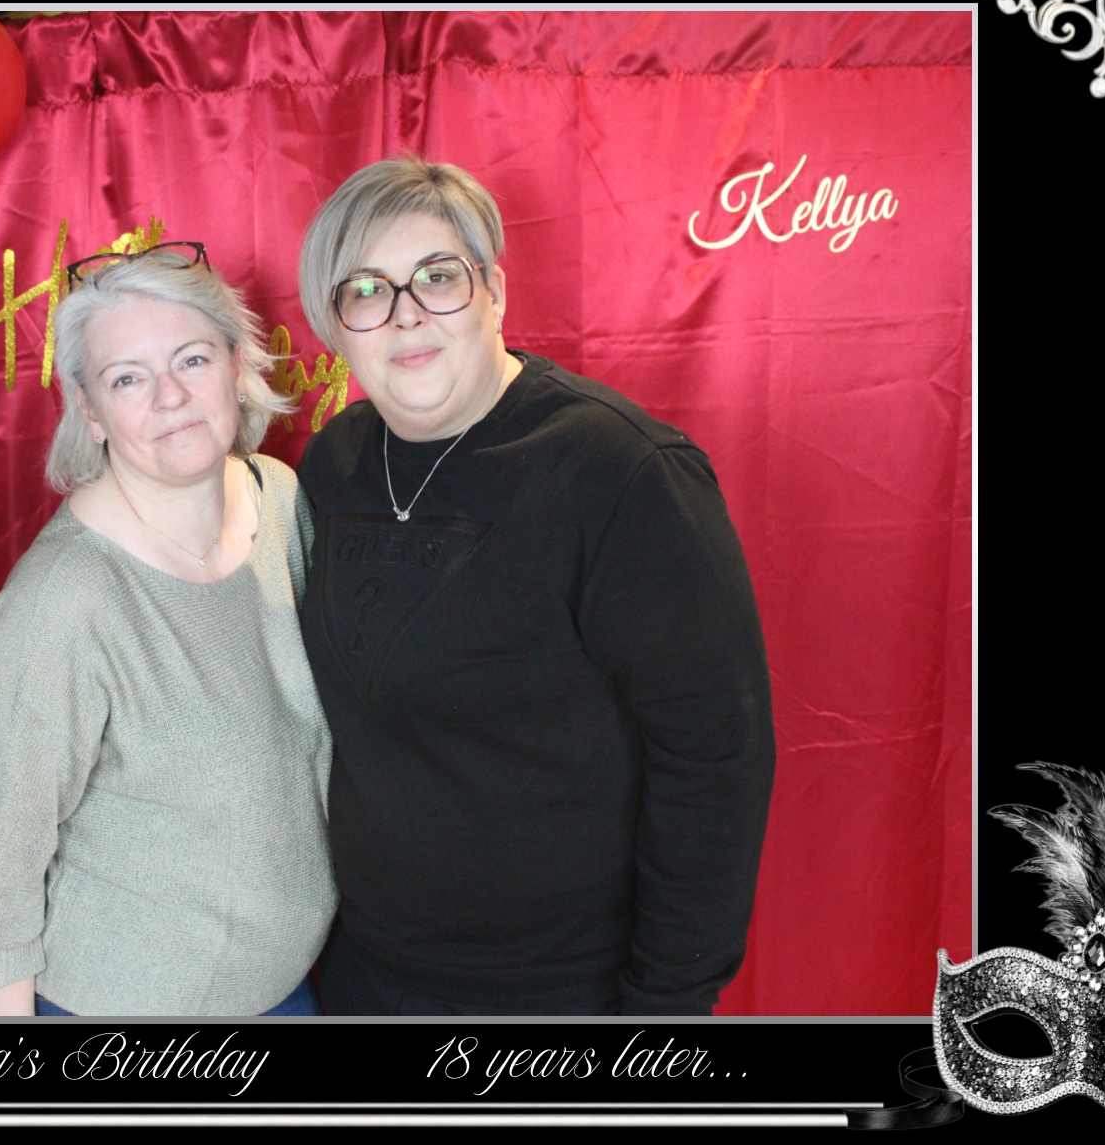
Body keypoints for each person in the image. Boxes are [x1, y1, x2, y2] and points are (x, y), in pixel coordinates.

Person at [294, 158, 776, 1016]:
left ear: (495, 294)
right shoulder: (332, 465)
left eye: (437, 277)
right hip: (367, 974)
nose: (406, 312)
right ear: (338, 328)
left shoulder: (623, 474)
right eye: (365, 290)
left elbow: (714, 761)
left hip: (565, 992)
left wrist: (664, 1009)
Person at [0, 244, 335, 1016]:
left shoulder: (279, 498)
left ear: (235, 362)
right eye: (127, 378)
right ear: (89, 410)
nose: (170, 397)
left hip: (286, 989)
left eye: (191, 359)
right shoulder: (65, 600)